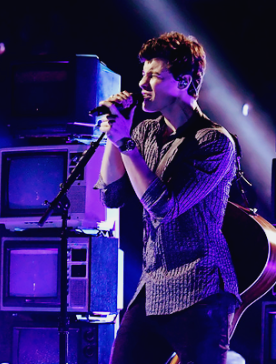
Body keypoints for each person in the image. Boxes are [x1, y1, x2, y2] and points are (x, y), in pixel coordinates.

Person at [95, 31, 240, 364]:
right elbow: (112, 195)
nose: (142, 83)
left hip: (201, 290)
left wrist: (126, 145)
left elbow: (164, 206)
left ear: (184, 81)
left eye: (154, 75)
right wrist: (115, 138)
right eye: (143, 74)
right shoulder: (145, 132)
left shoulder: (215, 143)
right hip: (153, 288)